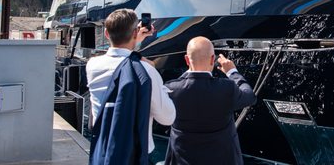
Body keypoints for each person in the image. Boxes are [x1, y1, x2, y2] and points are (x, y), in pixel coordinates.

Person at [86, 9, 176, 164]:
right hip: (135, 155)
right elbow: (167, 117)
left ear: (106, 34)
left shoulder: (92, 65)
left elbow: (123, 58)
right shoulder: (146, 71)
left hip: (103, 150)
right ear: (135, 33)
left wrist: (135, 39)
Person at [164, 36, 257, 165]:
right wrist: (232, 72)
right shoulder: (226, 88)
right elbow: (249, 97)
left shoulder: (171, 89)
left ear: (186, 59)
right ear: (213, 59)